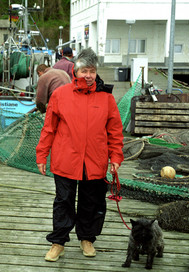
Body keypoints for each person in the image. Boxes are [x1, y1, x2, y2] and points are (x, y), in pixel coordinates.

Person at [36, 48, 124, 262]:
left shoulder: (106, 98)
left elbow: (115, 130)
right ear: (75, 71)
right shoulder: (60, 95)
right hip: (65, 158)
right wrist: (41, 155)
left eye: (92, 71)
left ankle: (87, 238)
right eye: (84, 70)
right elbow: (49, 128)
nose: (88, 75)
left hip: (95, 160)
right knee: (63, 200)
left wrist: (116, 157)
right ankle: (58, 242)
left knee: (91, 201)